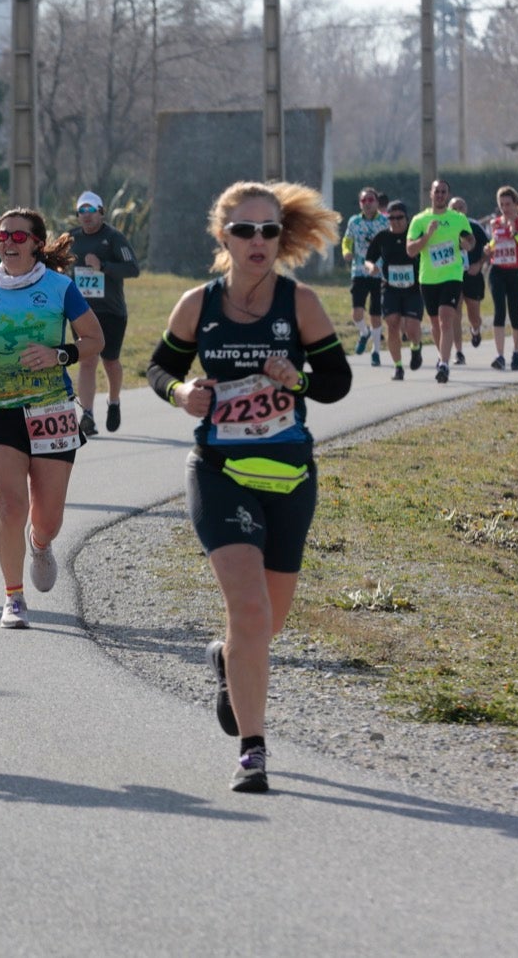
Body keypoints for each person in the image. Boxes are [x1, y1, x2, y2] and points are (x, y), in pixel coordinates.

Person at [145, 180, 351, 793]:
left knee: (263, 625)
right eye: (245, 230)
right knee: (250, 608)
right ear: (223, 235)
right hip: (219, 471)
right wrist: (180, 393)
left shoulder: (300, 302)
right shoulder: (197, 304)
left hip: (288, 473)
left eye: (269, 231)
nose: (258, 242)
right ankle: (253, 750)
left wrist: (300, 381)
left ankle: (226, 659)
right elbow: (158, 367)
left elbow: (337, 381)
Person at [0, 209, 102, 630]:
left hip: (52, 409)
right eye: (2, 234)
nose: (9, 241)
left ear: (37, 242)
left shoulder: (60, 287)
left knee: (48, 517)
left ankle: (40, 544)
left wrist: (60, 355)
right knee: (9, 506)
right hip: (1, 409)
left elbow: (94, 339)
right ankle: (13, 596)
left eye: (19, 235)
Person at [67, 191, 139, 435]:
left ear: (101, 212)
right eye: (81, 211)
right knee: (87, 361)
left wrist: (103, 266)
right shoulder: (71, 239)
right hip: (82, 312)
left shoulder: (114, 238)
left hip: (111, 311)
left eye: (91, 210)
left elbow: (133, 269)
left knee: (110, 361)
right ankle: (87, 415)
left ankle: (114, 401)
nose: (86, 216)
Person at [405, 178, 475, 383]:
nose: (440, 195)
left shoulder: (458, 218)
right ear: (431, 194)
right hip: (428, 278)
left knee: (446, 319)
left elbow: (470, 240)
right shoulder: (420, 220)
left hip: (452, 276)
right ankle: (441, 355)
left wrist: (467, 244)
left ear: (448, 195)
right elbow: (410, 250)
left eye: (444, 192)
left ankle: (444, 364)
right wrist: (427, 235)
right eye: (437, 192)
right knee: (435, 323)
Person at [364, 200, 422, 381]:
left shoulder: (414, 235)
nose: (396, 221)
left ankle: (415, 347)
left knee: (412, 328)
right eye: (392, 218)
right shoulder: (382, 237)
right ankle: (398, 367)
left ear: (407, 218)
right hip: (390, 288)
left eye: (400, 217)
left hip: (413, 289)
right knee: (393, 324)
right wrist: (371, 267)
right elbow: (368, 259)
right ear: (387, 218)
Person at [484, 186, 518, 370]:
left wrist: (516, 235)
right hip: (497, 271)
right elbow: (495, 243)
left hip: (516, 273)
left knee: (515, 314)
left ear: (515, 204)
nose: (505, 208)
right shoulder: (494, 223)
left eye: (508, 204)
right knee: (499, 312)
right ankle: (499, 356)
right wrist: (488, 248)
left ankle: (517, 351)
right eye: (501, 204)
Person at [340, 186, 389, 365]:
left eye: (371, 200)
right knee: (357, 313)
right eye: (364, 201)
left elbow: (388, 245)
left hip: (378, 273)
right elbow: (347, 239)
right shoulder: (354, 222)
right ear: (360, 204)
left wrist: (382, 265)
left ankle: (375, 351)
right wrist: (346, 251)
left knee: (376, 314)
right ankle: (364, 333)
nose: (367, 204)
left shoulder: (384, 222)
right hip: (359, 271)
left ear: (377, 202)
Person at [448, 197, 489, 360]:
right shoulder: (445, 227)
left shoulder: (475, 227)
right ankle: (458, 352)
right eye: (454, 208)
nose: (457, 210)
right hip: (452, 275)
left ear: (466, 210)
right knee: (454, 313)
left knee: (474, 315)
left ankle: (476, 330)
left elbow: (488, 248)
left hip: (472, 274)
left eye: (460, 207)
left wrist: (479, 264)